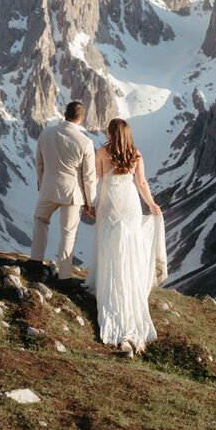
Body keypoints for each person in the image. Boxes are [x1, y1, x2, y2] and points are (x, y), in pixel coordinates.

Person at [88, 117, 166, 356]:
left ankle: (107, 287)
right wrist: (151, 204)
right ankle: (130, 294)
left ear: (111, 134)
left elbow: (95, 180)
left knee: (108, 245)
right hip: (130, 204)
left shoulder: (101, 152)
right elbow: (141, 183)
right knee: (129, 248)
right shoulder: (136, 154)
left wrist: (89, 204)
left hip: (109, 204)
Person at [30, 101, 96, 287]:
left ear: (64, 114)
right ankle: (65, 276)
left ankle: (35, 261)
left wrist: (42, 184)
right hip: (72, 193)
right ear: (82, 119)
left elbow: (39, 163)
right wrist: (90, 203)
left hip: (49, 187)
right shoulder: (85, 142)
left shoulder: (46, 133)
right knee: (68, 234)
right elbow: (89, 177)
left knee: (40, 220)